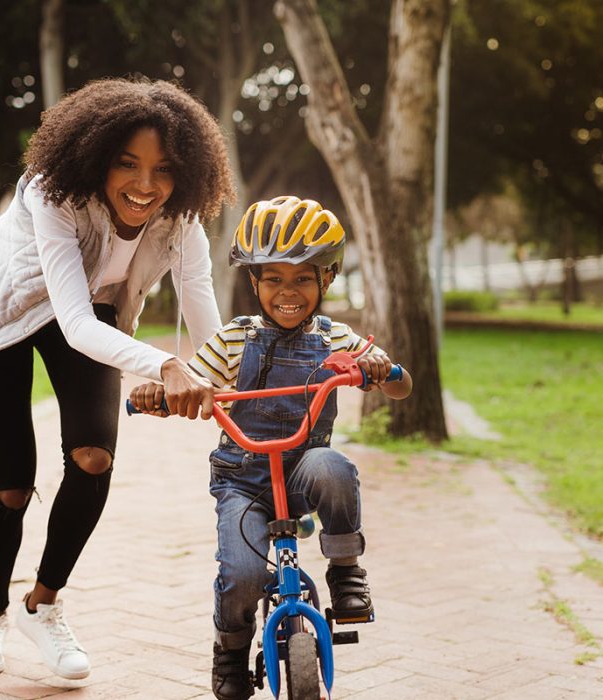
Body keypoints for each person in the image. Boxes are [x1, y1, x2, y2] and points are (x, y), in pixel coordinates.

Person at [0, 77, 235, 680]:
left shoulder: (181, 221)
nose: (145, 185)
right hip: (8, 309)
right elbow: (74, 323)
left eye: (163, 170)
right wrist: (165, 363)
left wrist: (225, 376)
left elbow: (202, 304)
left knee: (93, 455)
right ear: (96, 158)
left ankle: (42, 605)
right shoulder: (53, 195)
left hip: (90, 309)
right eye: (127, 164)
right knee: (10, 485)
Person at [129, 195, 413, 700]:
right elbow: (194, 380)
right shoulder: (235, 339)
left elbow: (401, 385)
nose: (288, 292)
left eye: (303, 278)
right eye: (274, 278)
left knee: (334, 466)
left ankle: (345, 570)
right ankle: (231, 651)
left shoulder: (337, 340)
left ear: (325, 280)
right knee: (240, 574)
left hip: (303, 473)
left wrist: (379, 370)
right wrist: (162, 393)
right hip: (244, 480)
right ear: (254, 282)